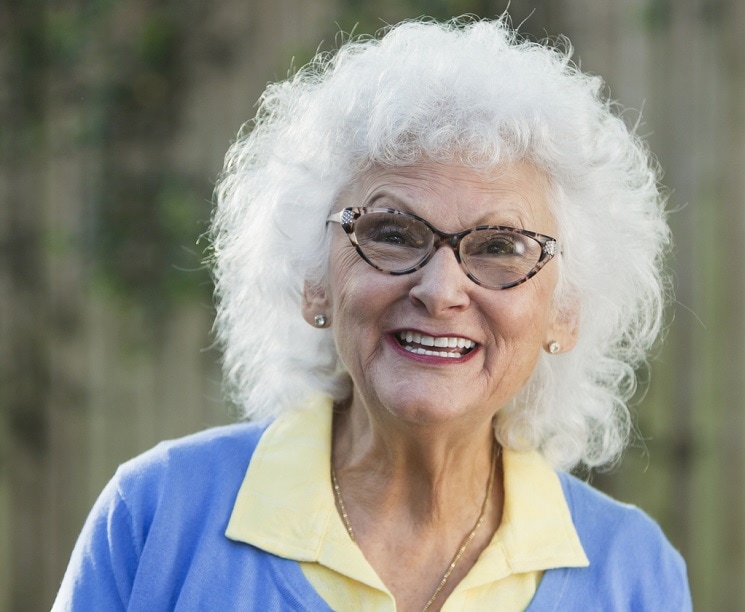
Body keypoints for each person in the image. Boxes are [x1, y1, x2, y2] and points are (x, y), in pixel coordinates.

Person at [54, 15, 690, 611]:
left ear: (564, 312)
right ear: (314, 281)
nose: (441, 290)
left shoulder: (635, 574)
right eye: (392, 232)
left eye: (499, 247)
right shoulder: (156, 517)